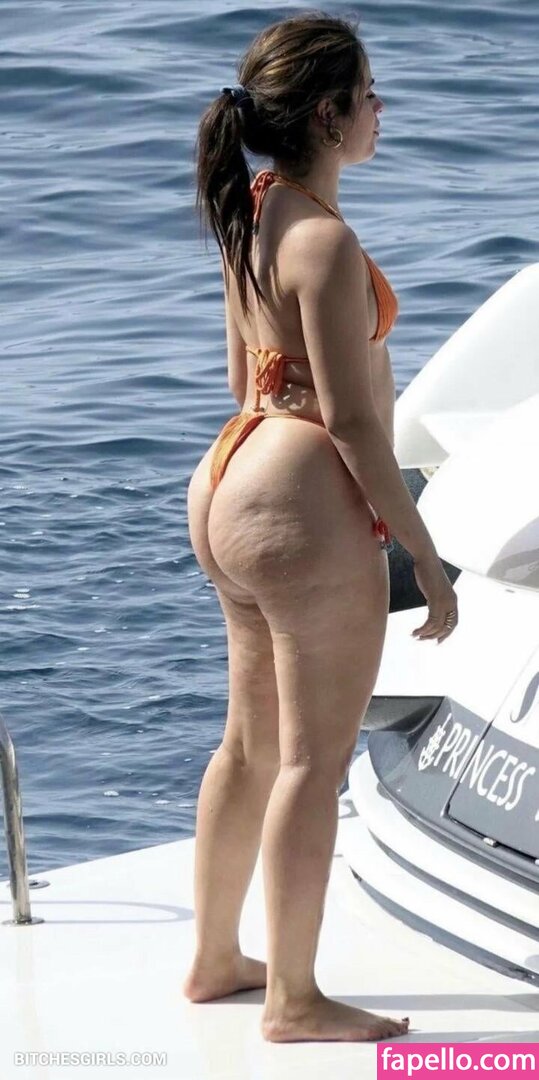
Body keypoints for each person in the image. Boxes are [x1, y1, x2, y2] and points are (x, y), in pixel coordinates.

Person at [183, 10, 458, 1043]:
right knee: (311, 759)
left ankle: (217, 958)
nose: (381, 110)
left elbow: (244, 377)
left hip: (229, 481)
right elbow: (348, 421)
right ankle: (293, 999)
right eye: (369, 94)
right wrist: (420, 552)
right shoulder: (325, 241)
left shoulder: (251, 210)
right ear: (330, 114)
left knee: (247, 744)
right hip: (299, 502)